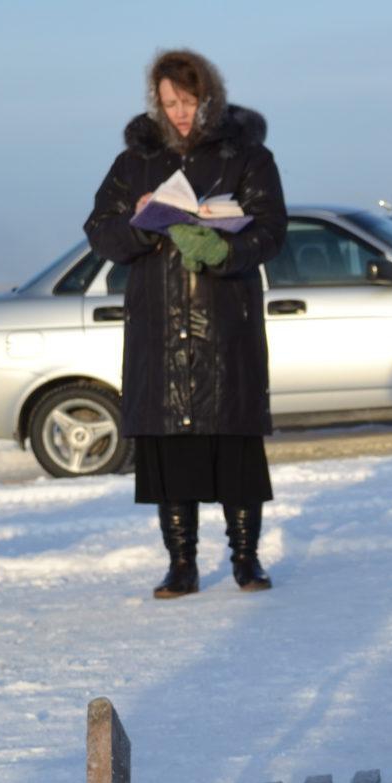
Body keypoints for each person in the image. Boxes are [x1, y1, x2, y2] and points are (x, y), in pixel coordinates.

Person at [84, 49, 287, 598]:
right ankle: (182, 565)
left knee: (236, 448)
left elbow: (271, 228)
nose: (178, 112)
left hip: (226, 327)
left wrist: (225, 248)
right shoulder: (135, 162)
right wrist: (145, 222)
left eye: (188, 101)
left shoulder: (247, 156)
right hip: (159, 327)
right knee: (172, 453)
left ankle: (246, 560)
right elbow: (100, 229)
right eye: (168, 102)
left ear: (209, 97)